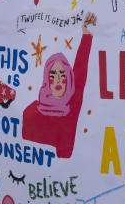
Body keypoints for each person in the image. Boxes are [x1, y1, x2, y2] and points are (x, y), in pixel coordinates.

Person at [21, 12, 97, 159]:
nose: (58, 80)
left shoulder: (71, 108)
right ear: (46, 80)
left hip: (64, 180)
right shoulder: (31, 111)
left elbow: (80, 72)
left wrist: (87, 36)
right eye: (52, 75)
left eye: (63, 75)